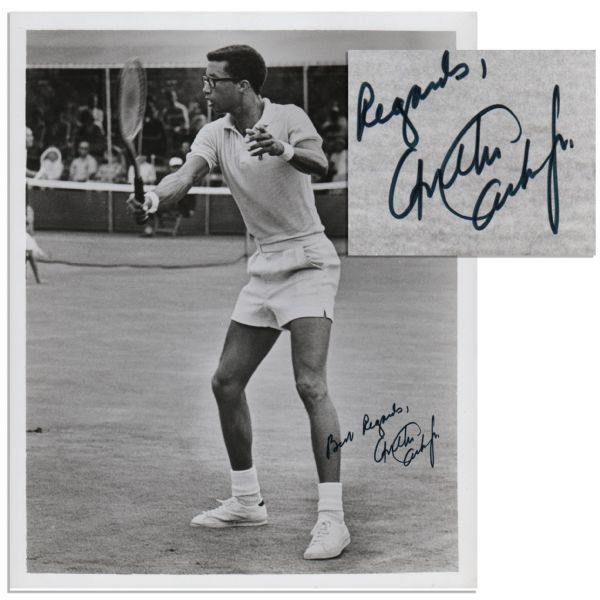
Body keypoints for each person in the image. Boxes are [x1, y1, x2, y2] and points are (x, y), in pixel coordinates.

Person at [127, 45, 349, 560]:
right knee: (226, 382)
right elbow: (185, 177)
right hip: (264, 266)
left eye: (213, 80)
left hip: (310, 261)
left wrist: (283, 149)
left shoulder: (289, 118)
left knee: (310, 383)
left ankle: (333, 519)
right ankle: (248, 501)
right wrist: (156, 199)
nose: (205, 88)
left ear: (242, 86)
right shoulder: (215, 132)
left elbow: (318, 161)